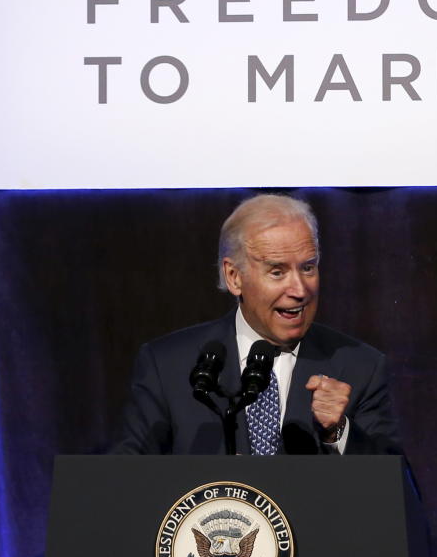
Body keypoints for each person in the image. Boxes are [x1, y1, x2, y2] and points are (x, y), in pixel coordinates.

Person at [113, 194, 401, 456]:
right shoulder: (168, 366)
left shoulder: (360, 367)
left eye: (308, 267)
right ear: (234, 276)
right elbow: (127, 480)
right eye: (277, 271)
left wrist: (338, 432)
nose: (299, 289)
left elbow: (392, 490)